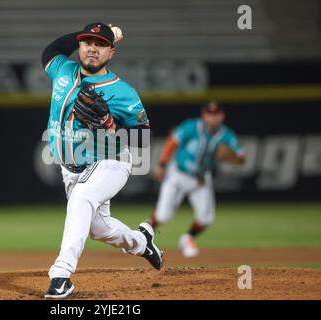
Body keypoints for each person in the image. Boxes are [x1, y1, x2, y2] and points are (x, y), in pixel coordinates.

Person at [41, 22, 163, 299]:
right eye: (87, 43)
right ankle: (142, 242)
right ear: (79, 46)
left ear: (111, 53)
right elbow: (51, 50)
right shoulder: (63, 69)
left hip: (111, 161)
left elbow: (143, 138)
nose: (92, 49)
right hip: (71, 169)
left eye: (101, 45)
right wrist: (100, 32)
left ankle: (61, 276)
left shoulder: (123, 92)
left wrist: (110, 124)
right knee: (99, 229)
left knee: (82, 198)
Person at [151, 101, 246, 257]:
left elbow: (241, 156)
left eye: (216, 114)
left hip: (200, 179)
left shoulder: (226, 135)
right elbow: (172, 142)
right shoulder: (191, 127)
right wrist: (162, 164)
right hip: (178, 175)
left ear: (222, 116)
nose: (213, 117)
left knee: (206, 218)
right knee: (163, 215)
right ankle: (142, 236)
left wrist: (235, 158)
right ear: (204, 114)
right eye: (210, 114)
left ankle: (187, 238)